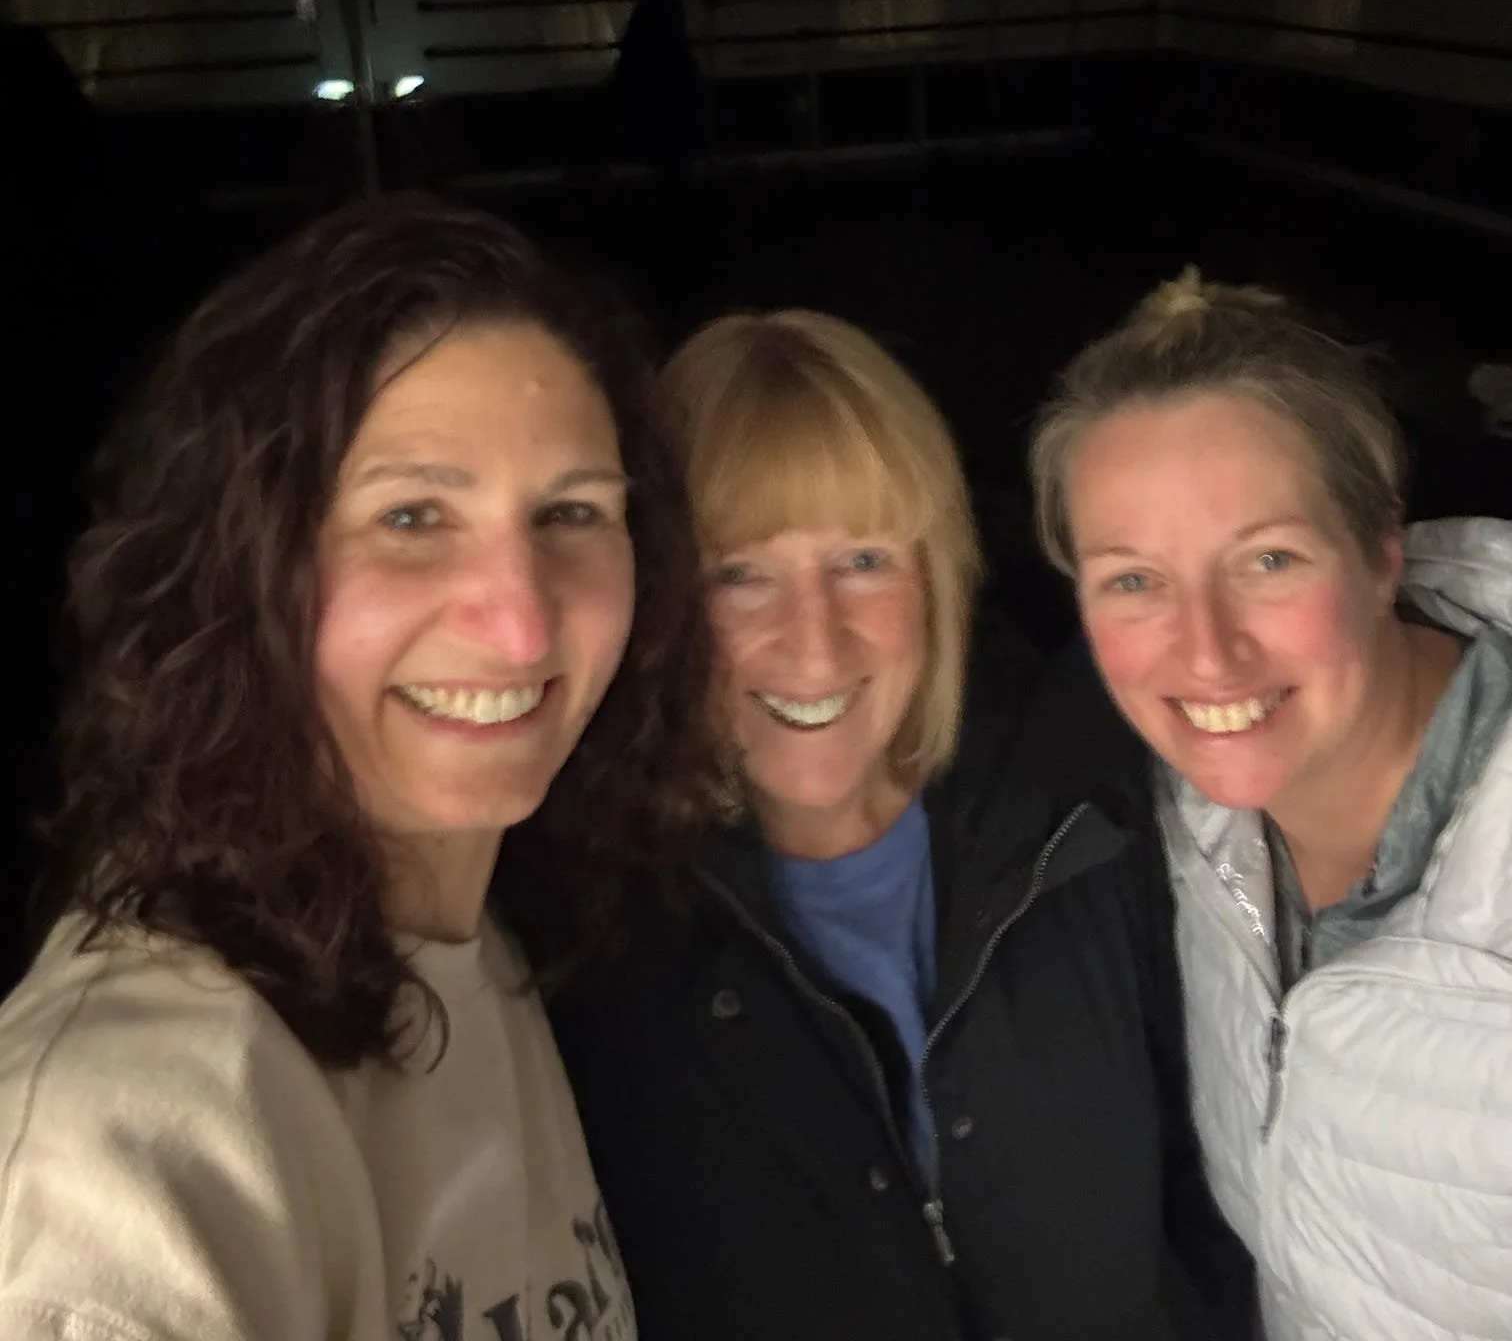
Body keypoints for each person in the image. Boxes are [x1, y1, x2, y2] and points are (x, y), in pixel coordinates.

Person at [0, 193, 713, 1341]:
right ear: (242, 568)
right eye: (415, 515)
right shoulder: (118, 1159)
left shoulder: (480, 955)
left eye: (573, 511)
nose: (523, 626)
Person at [547, 307, 1251, 1341]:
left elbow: (1221, 1191)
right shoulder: (586, 928)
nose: (816, 640)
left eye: (864, 560)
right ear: (656, 604)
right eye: (740, 574)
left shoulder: (1086, 809)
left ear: (938, 575)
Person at [1030, 267, 1512, 1341]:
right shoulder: (1192, 821)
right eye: (1134, 580)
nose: (1207, 651)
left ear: (1383, 547)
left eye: (1269, 559)